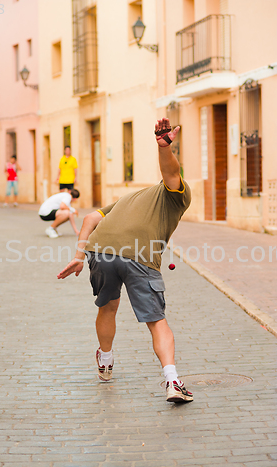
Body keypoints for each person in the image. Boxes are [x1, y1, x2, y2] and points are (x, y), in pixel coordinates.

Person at [57, 118, 193, 404]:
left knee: (108, 307)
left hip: (100, 251)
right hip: (139, 255)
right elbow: (171, 171)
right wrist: (165, 148)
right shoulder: (177, 194)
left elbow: (91, 218)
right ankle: (172, 381)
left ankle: (105, 360)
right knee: (157, 322)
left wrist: (79, 256)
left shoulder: (130, 196)